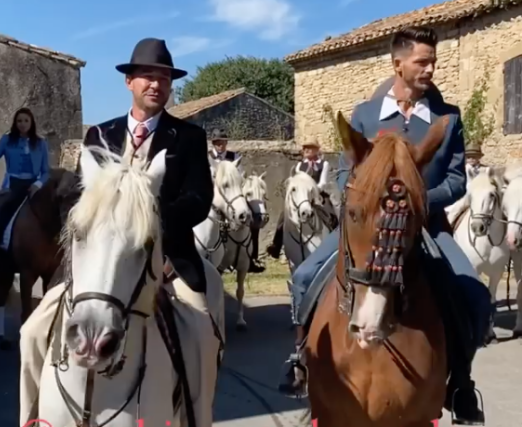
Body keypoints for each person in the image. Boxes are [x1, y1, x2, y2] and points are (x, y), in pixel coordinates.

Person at [277, 27, 491, 426]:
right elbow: (345, 172)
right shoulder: (364, 114)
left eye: (433, 61)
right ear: (398, 64)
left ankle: (459, 382)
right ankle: (301, 361)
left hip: (426, 224)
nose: (430, 68)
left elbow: (458, 179)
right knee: (306, 275)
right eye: (422, 61)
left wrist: (417, 201)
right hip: (366, 224)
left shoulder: (448, 117)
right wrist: (365, 199)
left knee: (472, 292)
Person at [18, 38, 221, 427]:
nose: (156, 85)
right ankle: (30, 419)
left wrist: (150, 229)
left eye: (164, 78)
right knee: (31, 333)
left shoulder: (190, 138)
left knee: (203, 338)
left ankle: (198, 419)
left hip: (167, 261)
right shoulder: (100, 135)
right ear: (130, 82)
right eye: (147, 76)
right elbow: (76, 196)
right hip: (97, 264)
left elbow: (198, 198)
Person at [0, 107, 49, 275]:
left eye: (26, 120)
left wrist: (38, 184)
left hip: (34, 187)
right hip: (12, 185)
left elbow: (46, 171)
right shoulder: (6, 141)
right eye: (19, 121)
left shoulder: (41, 143)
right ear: (15, 123)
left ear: (31, 122)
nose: (23, 124)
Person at [209, 128, 265, 273]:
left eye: (222, 142)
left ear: (226, 142)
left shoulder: (234, 156)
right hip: (213, 196)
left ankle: (252, 258)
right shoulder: (207, 157)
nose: (220, 145)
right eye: (217, 143)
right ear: (213, 144)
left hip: (232, 195)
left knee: (252, 215)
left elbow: (240, 177)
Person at [266, 138, 331, 260]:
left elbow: (323, 183)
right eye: (304, 148)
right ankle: (276, 245)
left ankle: (335, 242)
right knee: (283, 215)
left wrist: (312, 190)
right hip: (302, 196)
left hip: (318, 194)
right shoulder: (300, 165)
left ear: (317, 150)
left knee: (330, 211)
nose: (306, 150)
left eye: (310, 147)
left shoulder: (324, 164)